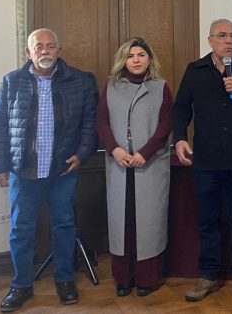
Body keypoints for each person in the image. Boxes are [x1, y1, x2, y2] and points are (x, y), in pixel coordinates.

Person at [0, 29, 97, 312]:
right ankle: (21, 285)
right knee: (21, 229)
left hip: (63, 169)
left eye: (50, 46)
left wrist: (82, 154)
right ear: (29, 53)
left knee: (64, 225)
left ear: (58, 51)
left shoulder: (79, 82)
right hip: (24, 171)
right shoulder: (11, 82)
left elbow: (89, 122)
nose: (45, 51)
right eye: (39, 47)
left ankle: (65, 280)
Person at [172, 19, 232, 304]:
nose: (229, 40)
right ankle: (207, 274)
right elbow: (180, 109)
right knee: (207, 221)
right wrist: (179, 138)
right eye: (222, 36)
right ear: (210, 40)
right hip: (205, 160)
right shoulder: (195, 70)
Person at [95, 37, 172, 297]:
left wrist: (145, 153)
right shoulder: (112, 87)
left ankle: (147, 278)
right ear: (123, 60)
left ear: (149, 59)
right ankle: (123, 278)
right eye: (131, 55)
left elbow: (165, 126)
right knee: (123, 223)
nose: (136, 60)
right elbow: (102, 122)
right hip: (119, 164)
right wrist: (114, 149)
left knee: (148, 224)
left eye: (141, 54)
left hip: (148, 165)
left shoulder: (161, 88)